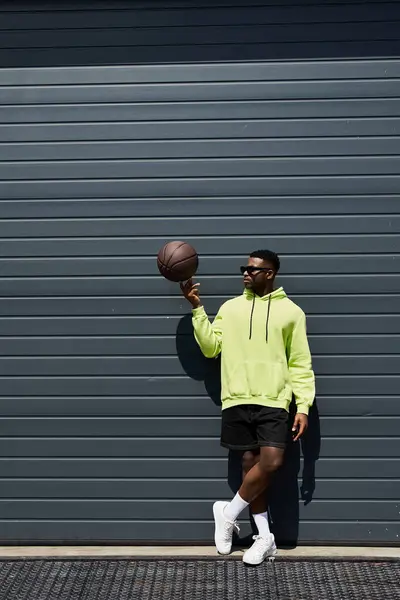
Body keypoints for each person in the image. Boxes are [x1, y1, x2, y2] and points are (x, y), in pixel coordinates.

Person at [180, 249, 315, 565]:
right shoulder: (230, 308)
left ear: (270, 273)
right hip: (237, 399)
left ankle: (227, 513)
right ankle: (264, 538)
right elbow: (212, 348)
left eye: (253, 269)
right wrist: (197, 309)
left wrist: (303, 405)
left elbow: (300, 363)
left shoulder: (292, 313)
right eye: (244, 268)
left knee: (272, 462)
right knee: (251, 468)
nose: (245, 273)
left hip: (274, 400)